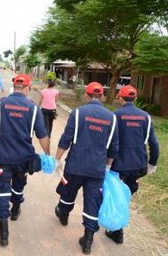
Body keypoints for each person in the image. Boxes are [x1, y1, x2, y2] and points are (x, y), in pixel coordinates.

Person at [0, 74, 50, 247]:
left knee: (3, 190)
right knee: (19, 185)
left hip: (3, 158)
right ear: (28, 88)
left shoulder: (0, 105)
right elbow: (42, 135)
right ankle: (15, 211)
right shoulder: (33, 108)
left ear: (14, 87)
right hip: (24, 159)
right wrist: (48, 155)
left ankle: (4, 233)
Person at [53, 82, 119, 254]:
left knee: (68, 193)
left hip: (75, 165)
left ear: (86, 95)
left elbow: (66, 138)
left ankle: (64, 216)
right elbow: (114, 147)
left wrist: (57, 160)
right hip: (97, 169)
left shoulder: (78, 113)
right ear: (102, 96)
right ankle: (88, 240)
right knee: (92, 202)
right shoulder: (112, 118)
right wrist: (107, 167)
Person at [105, 85, 159, 245]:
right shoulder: (146, 117)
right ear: (135, 98)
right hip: (138, 165)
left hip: (118, 165)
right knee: (126, 194)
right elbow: (154, 144)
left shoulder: (115, 116)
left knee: (116, 195)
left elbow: (108, 142)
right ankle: (117, 227)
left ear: (120, 98)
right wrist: (152, 163)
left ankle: (117, 231)